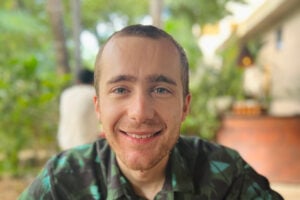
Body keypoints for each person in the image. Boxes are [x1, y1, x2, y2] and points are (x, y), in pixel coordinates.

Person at [19, 24, 283, 199]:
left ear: (184, 107)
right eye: (121, 89)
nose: (140, 112)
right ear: (98, 107)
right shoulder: (62, 181)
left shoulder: (226, 176)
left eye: (160, 90)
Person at [57, 68, 99, 150]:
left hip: (65, 144)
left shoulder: (66, 94)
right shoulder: (93, 93)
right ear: (93, 81)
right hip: (86, 145)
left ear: (78, 81)